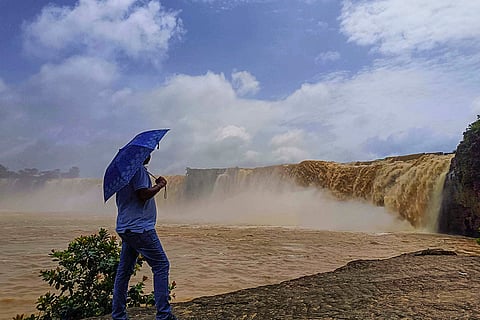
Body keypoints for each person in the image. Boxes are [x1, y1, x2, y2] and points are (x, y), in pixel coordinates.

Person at [112, 155, 177, 320]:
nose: (149, 155)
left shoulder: (124, 175)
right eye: (147, 152)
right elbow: (143, 194)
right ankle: (164, 314)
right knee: (161, 265)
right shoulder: (139, 170)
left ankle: (118, 315)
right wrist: (160, 185)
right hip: (140, 228)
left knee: (124, 272)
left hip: (125, 227)